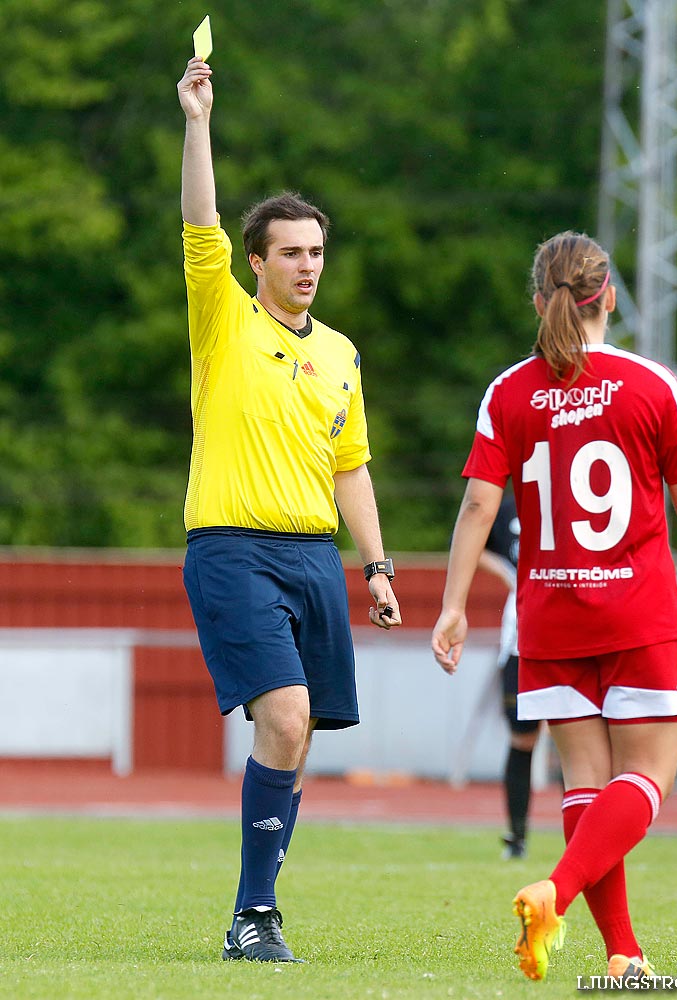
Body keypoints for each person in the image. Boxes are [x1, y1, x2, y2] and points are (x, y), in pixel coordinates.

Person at [431, 231, 677, 983]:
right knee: (644, 782)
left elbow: (479, 502)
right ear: (608, 297)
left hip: (548, 615)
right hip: (634, 612)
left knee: (584, 785)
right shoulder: (648, 383)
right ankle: (556, 893)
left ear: (539, 303)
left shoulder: (507, 390)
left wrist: (452, 606)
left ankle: (623, 953)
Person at [176, 56, 401, 963]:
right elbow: (199, 220)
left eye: (316, 252)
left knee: (299, 732)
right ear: (257, 261)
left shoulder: (342, 354)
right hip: (232, 547)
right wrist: (198, 121)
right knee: (285, 714)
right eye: (290, 253)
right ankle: (252, 914)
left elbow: (352, 470)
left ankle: (255, 912)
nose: (306, 266)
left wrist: (377, 567)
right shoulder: (226, 320)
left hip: (315, 558)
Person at [477, 493, 543, 860]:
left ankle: (583, 839)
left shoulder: (572, 489)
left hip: (572, 634)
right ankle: (516, 836)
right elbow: (475, 541)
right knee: (522, 738)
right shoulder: (506, 506)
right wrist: (507, 572)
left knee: (578, 738)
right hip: (520, 639)